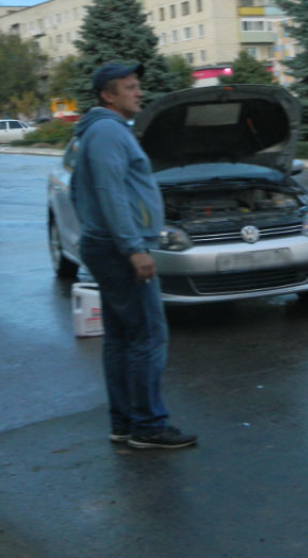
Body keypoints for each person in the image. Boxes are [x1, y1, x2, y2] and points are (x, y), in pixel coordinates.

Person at [71, 62, 197, 450]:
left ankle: (125, 422)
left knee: (123, 338)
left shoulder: (98, 131)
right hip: (118, 248)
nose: (139, 93)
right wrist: (133, 248)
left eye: (137, 86)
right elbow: (111, 193)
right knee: (147, 335)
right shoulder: (107, 132)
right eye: (130, 87)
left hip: (106, 244)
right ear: (109, 96)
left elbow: (84, 191)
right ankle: (148, 425)